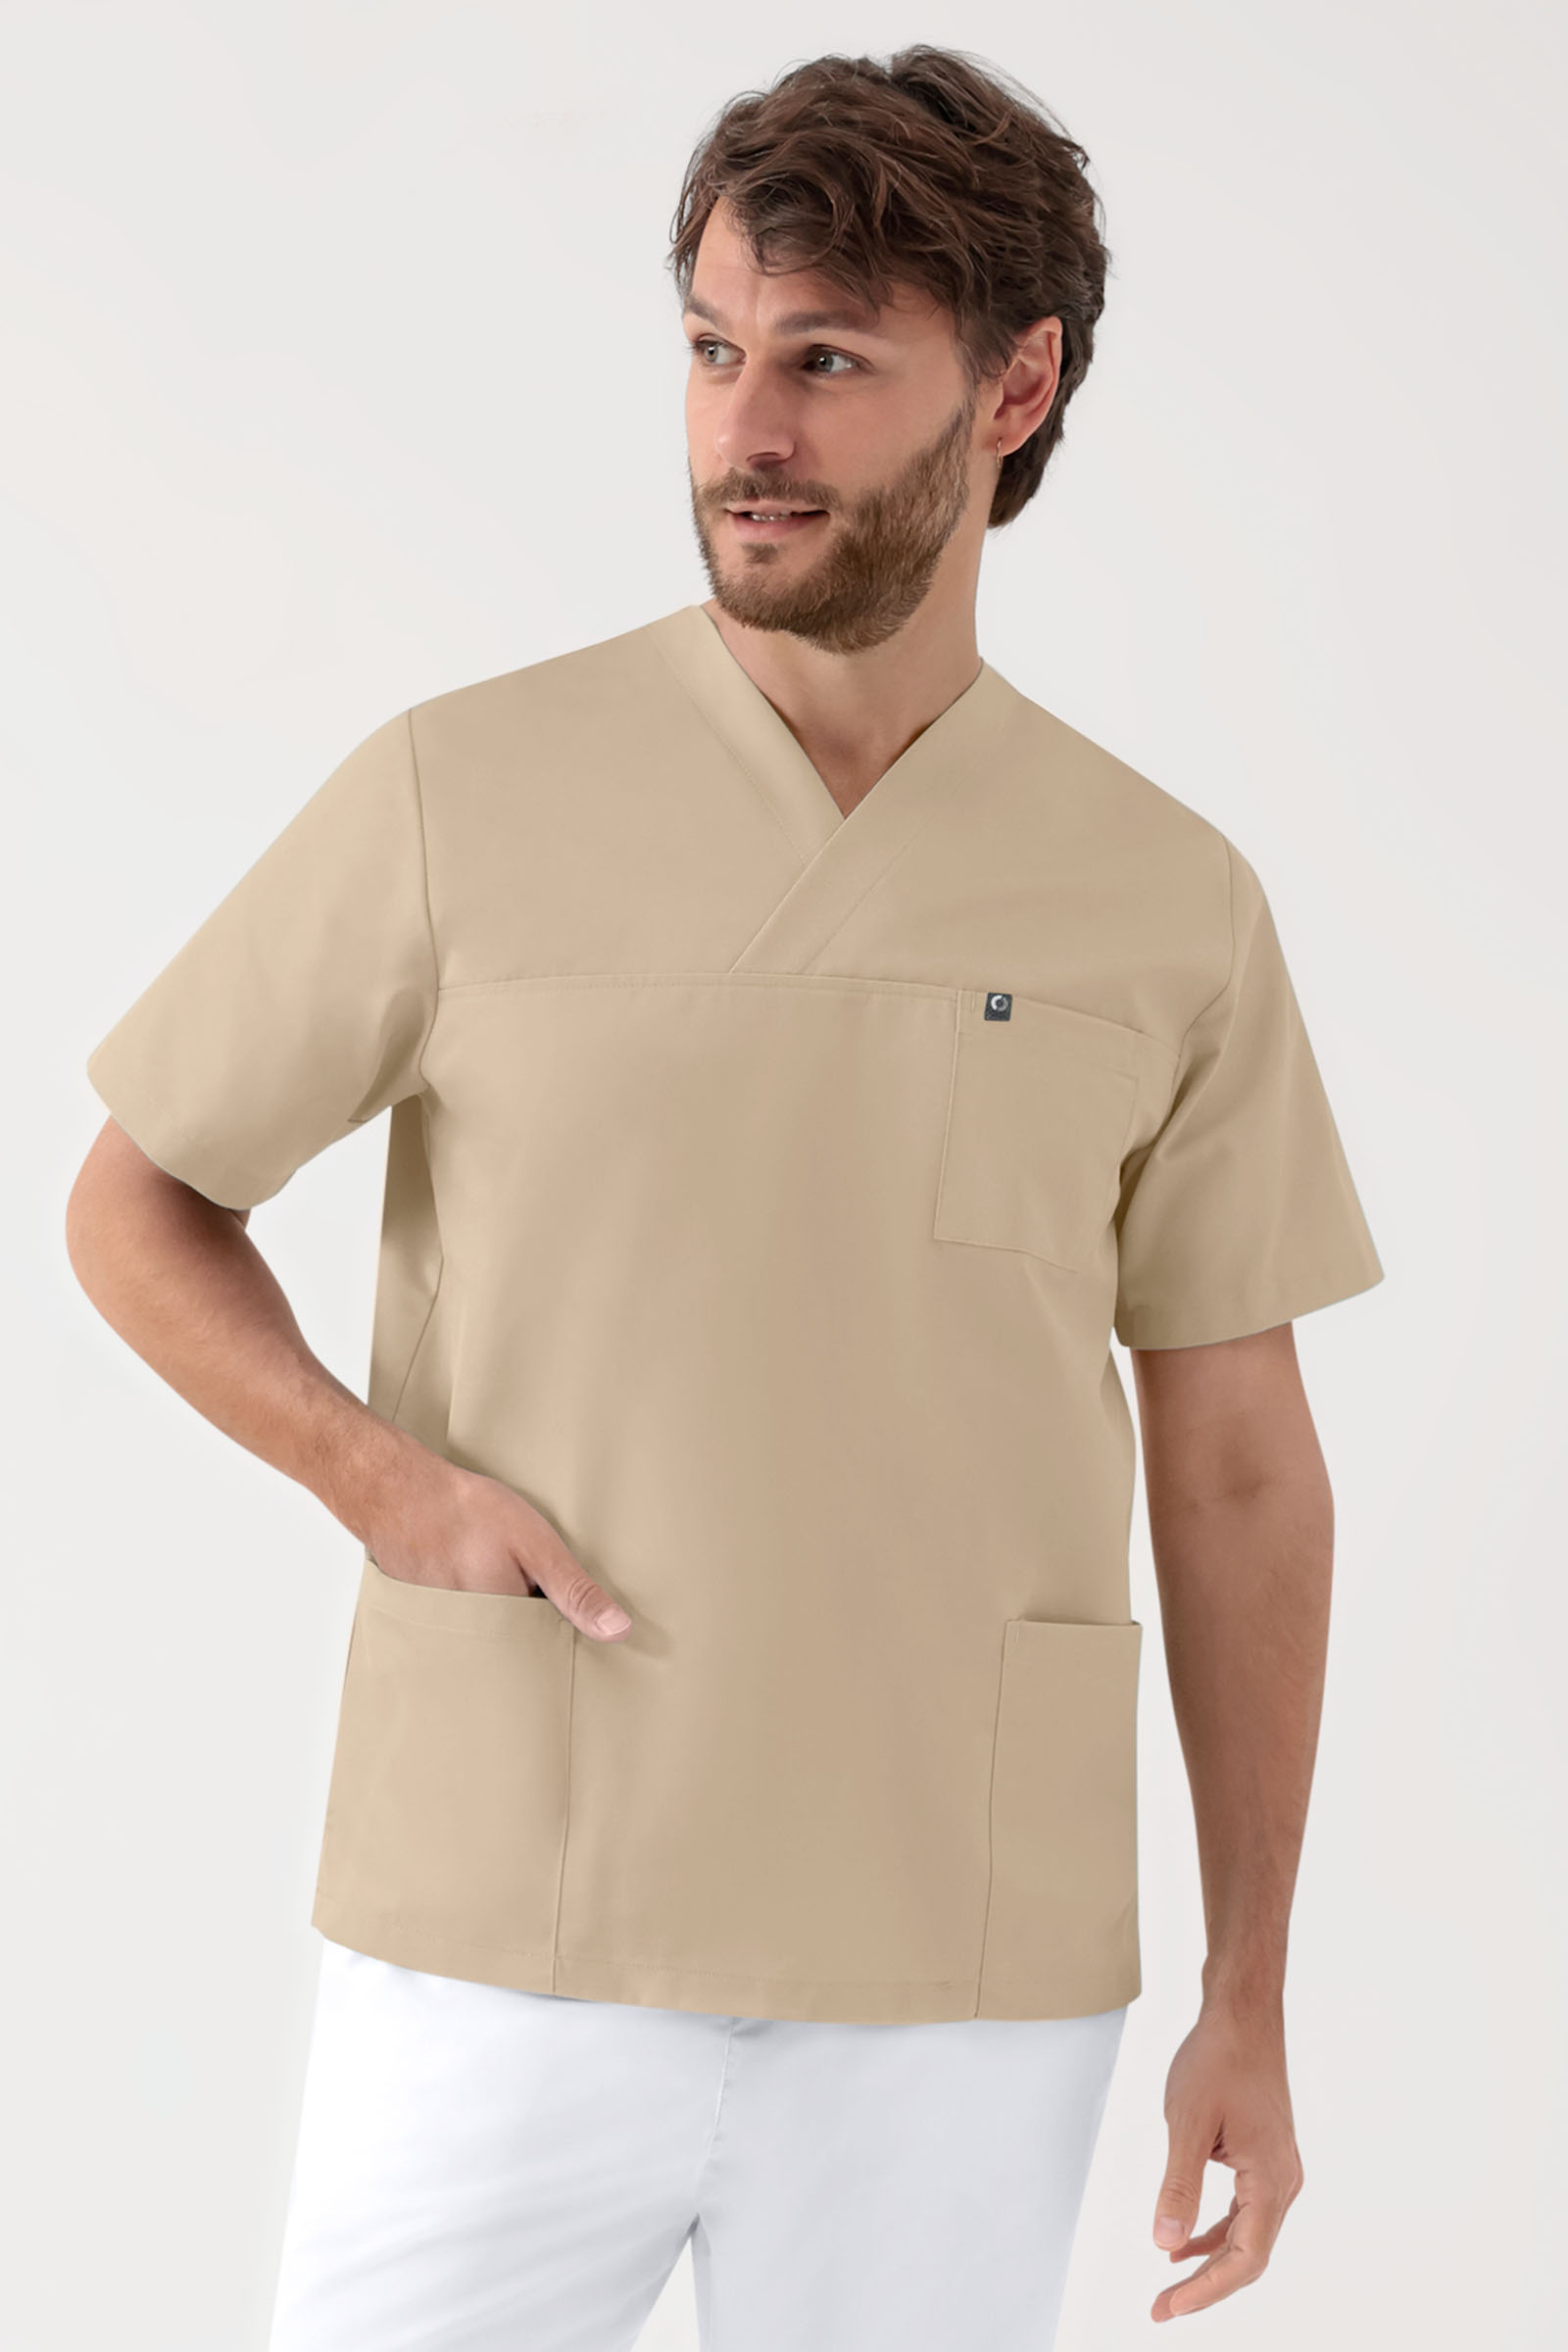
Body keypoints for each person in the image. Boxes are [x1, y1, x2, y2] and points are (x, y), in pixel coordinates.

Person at [65, 42, 1384, 2352]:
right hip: (505, 1918)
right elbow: (138, 1199)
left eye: (825, 362)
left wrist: (1246, 1995)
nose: (740, 431)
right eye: (708, 349)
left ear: (1014, 387)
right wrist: (378, 1482)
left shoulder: (1158, 902)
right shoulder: (460, 795)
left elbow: (1241, 1463)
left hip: (959, 1976)